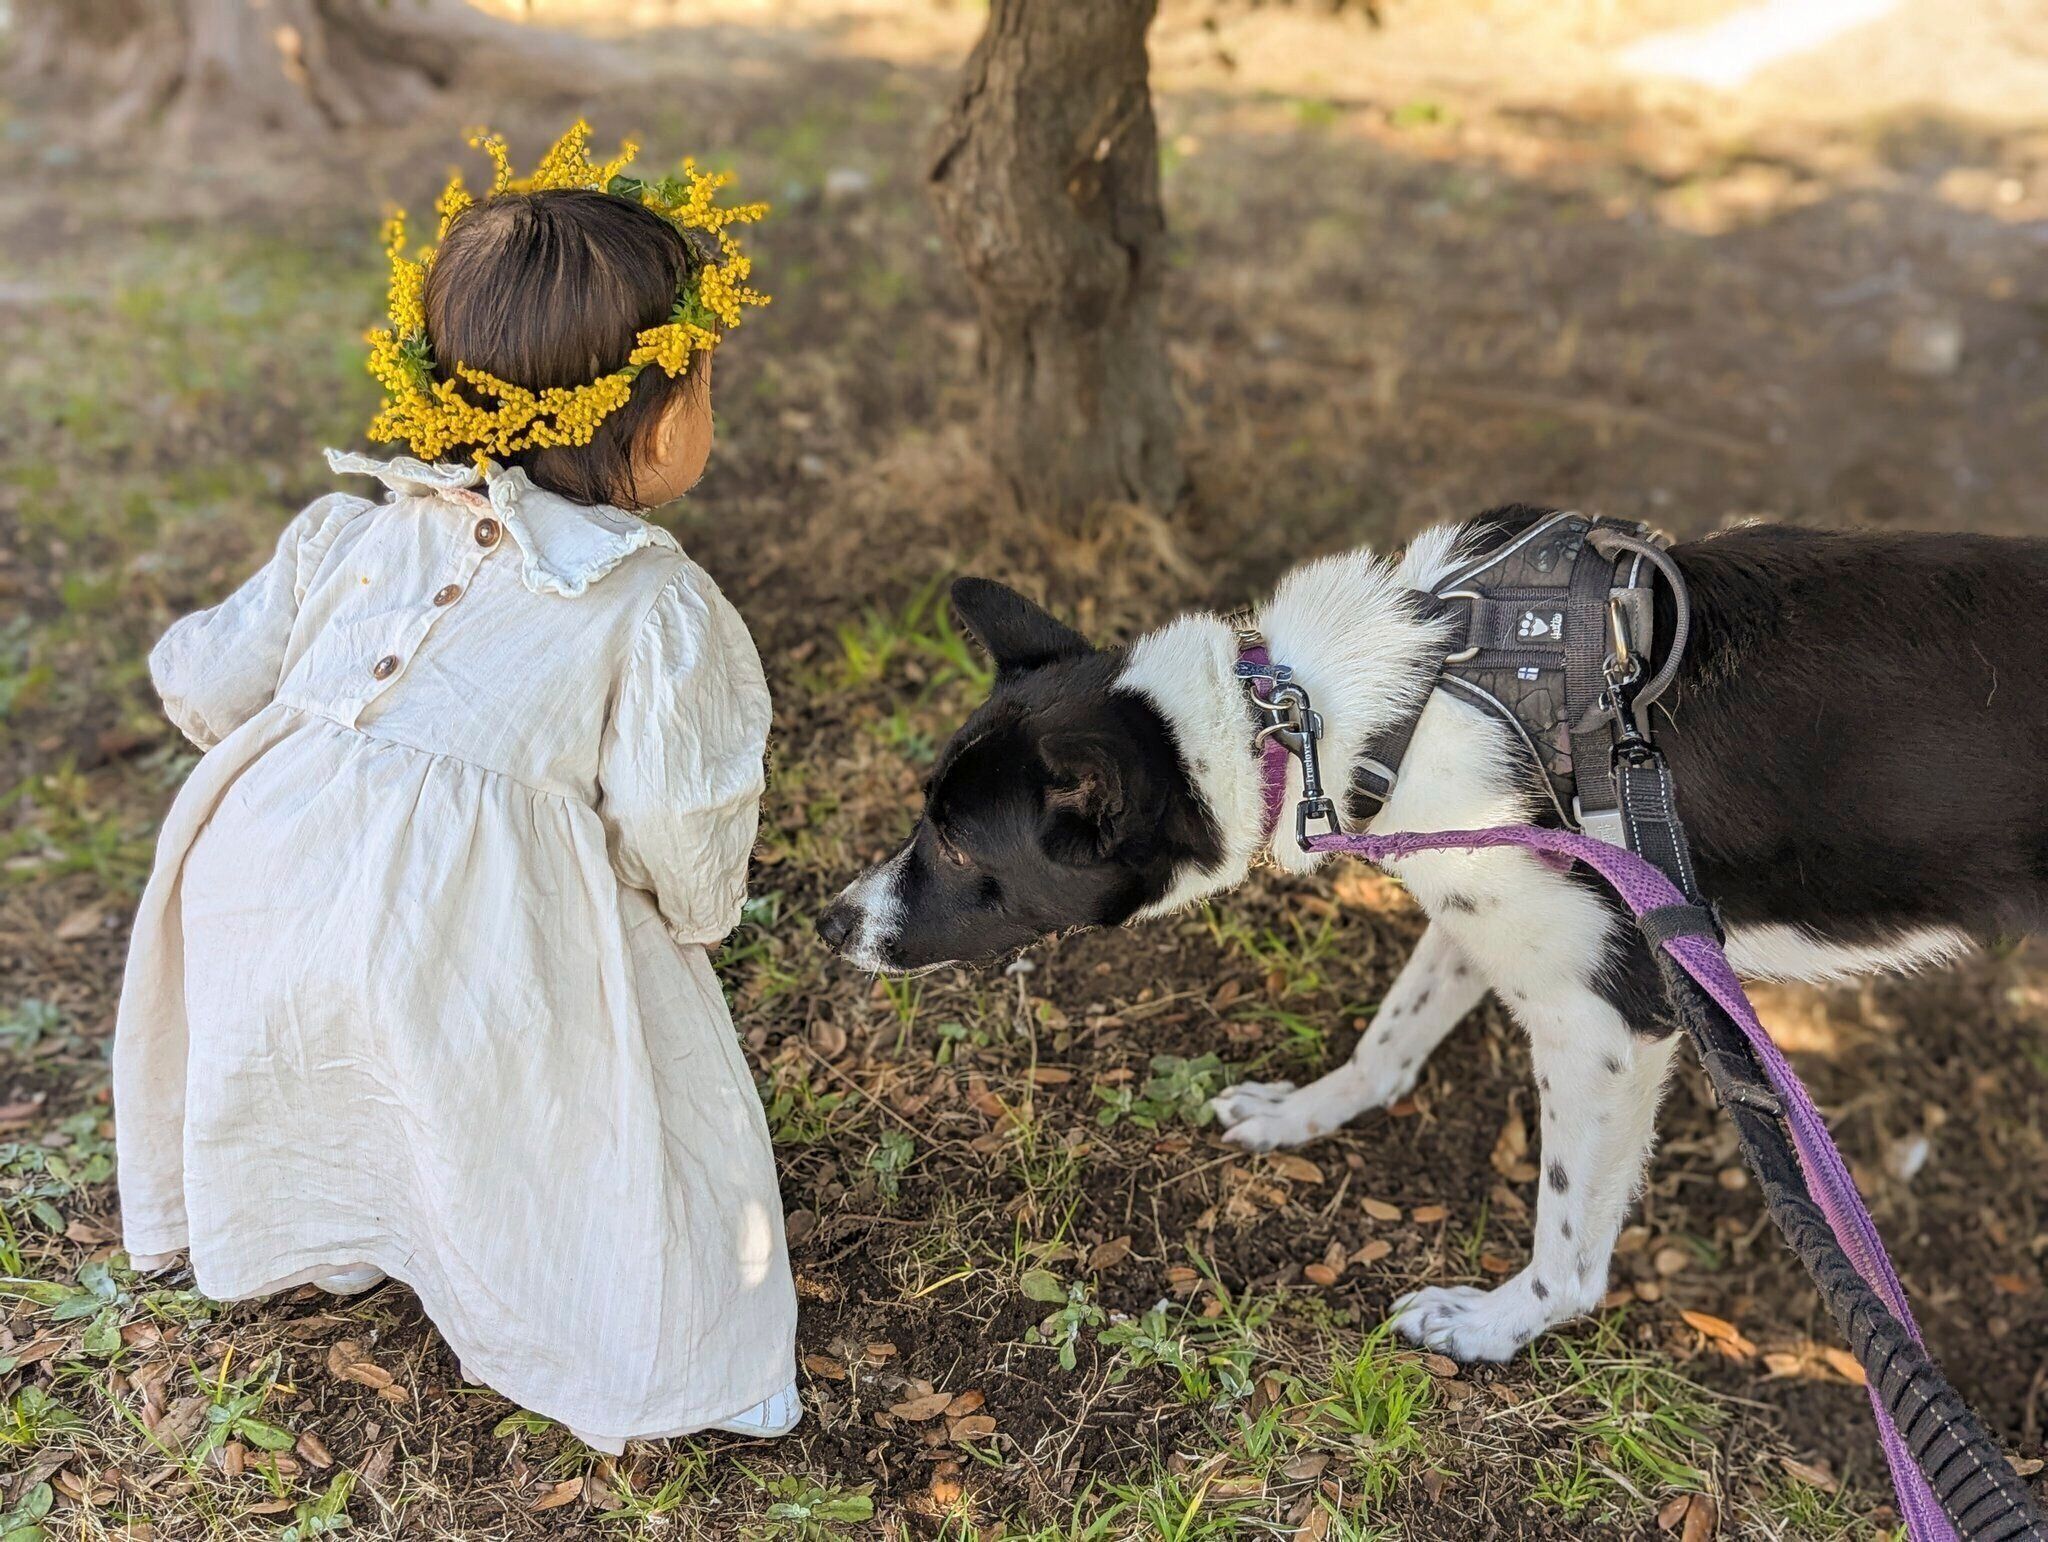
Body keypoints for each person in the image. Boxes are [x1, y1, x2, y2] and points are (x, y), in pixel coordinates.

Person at [111, 124, 797, 1451]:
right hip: (456, 924)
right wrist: (689, 915)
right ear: (658, 419)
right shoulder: (652, 607)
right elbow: (683, 817)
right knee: (561, 1082)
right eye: (708, 380)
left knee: (336, 1025)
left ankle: (333, 1216)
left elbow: (207, 679)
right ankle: (685, 1356)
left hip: (260, 876)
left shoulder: (353, 529)